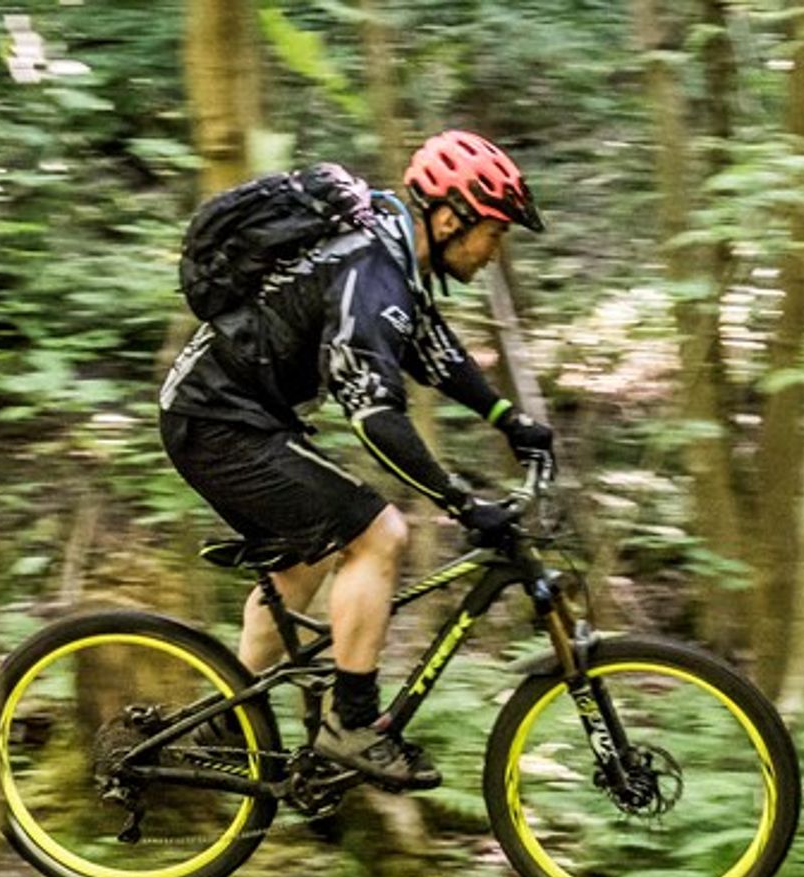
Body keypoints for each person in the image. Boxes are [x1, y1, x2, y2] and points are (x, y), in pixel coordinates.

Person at [157, 130, 552, 789]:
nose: (494, 252)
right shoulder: (371, 272)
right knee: (379, 533)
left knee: (304, 563)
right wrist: (462, 503)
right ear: (451, 216)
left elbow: (431, 348)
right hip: (217, 423)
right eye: (494, 232)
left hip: (244, 419)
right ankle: (351, 724)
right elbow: (375, 417)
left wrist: (508, 420)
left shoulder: (392, 258)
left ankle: (227, 718)